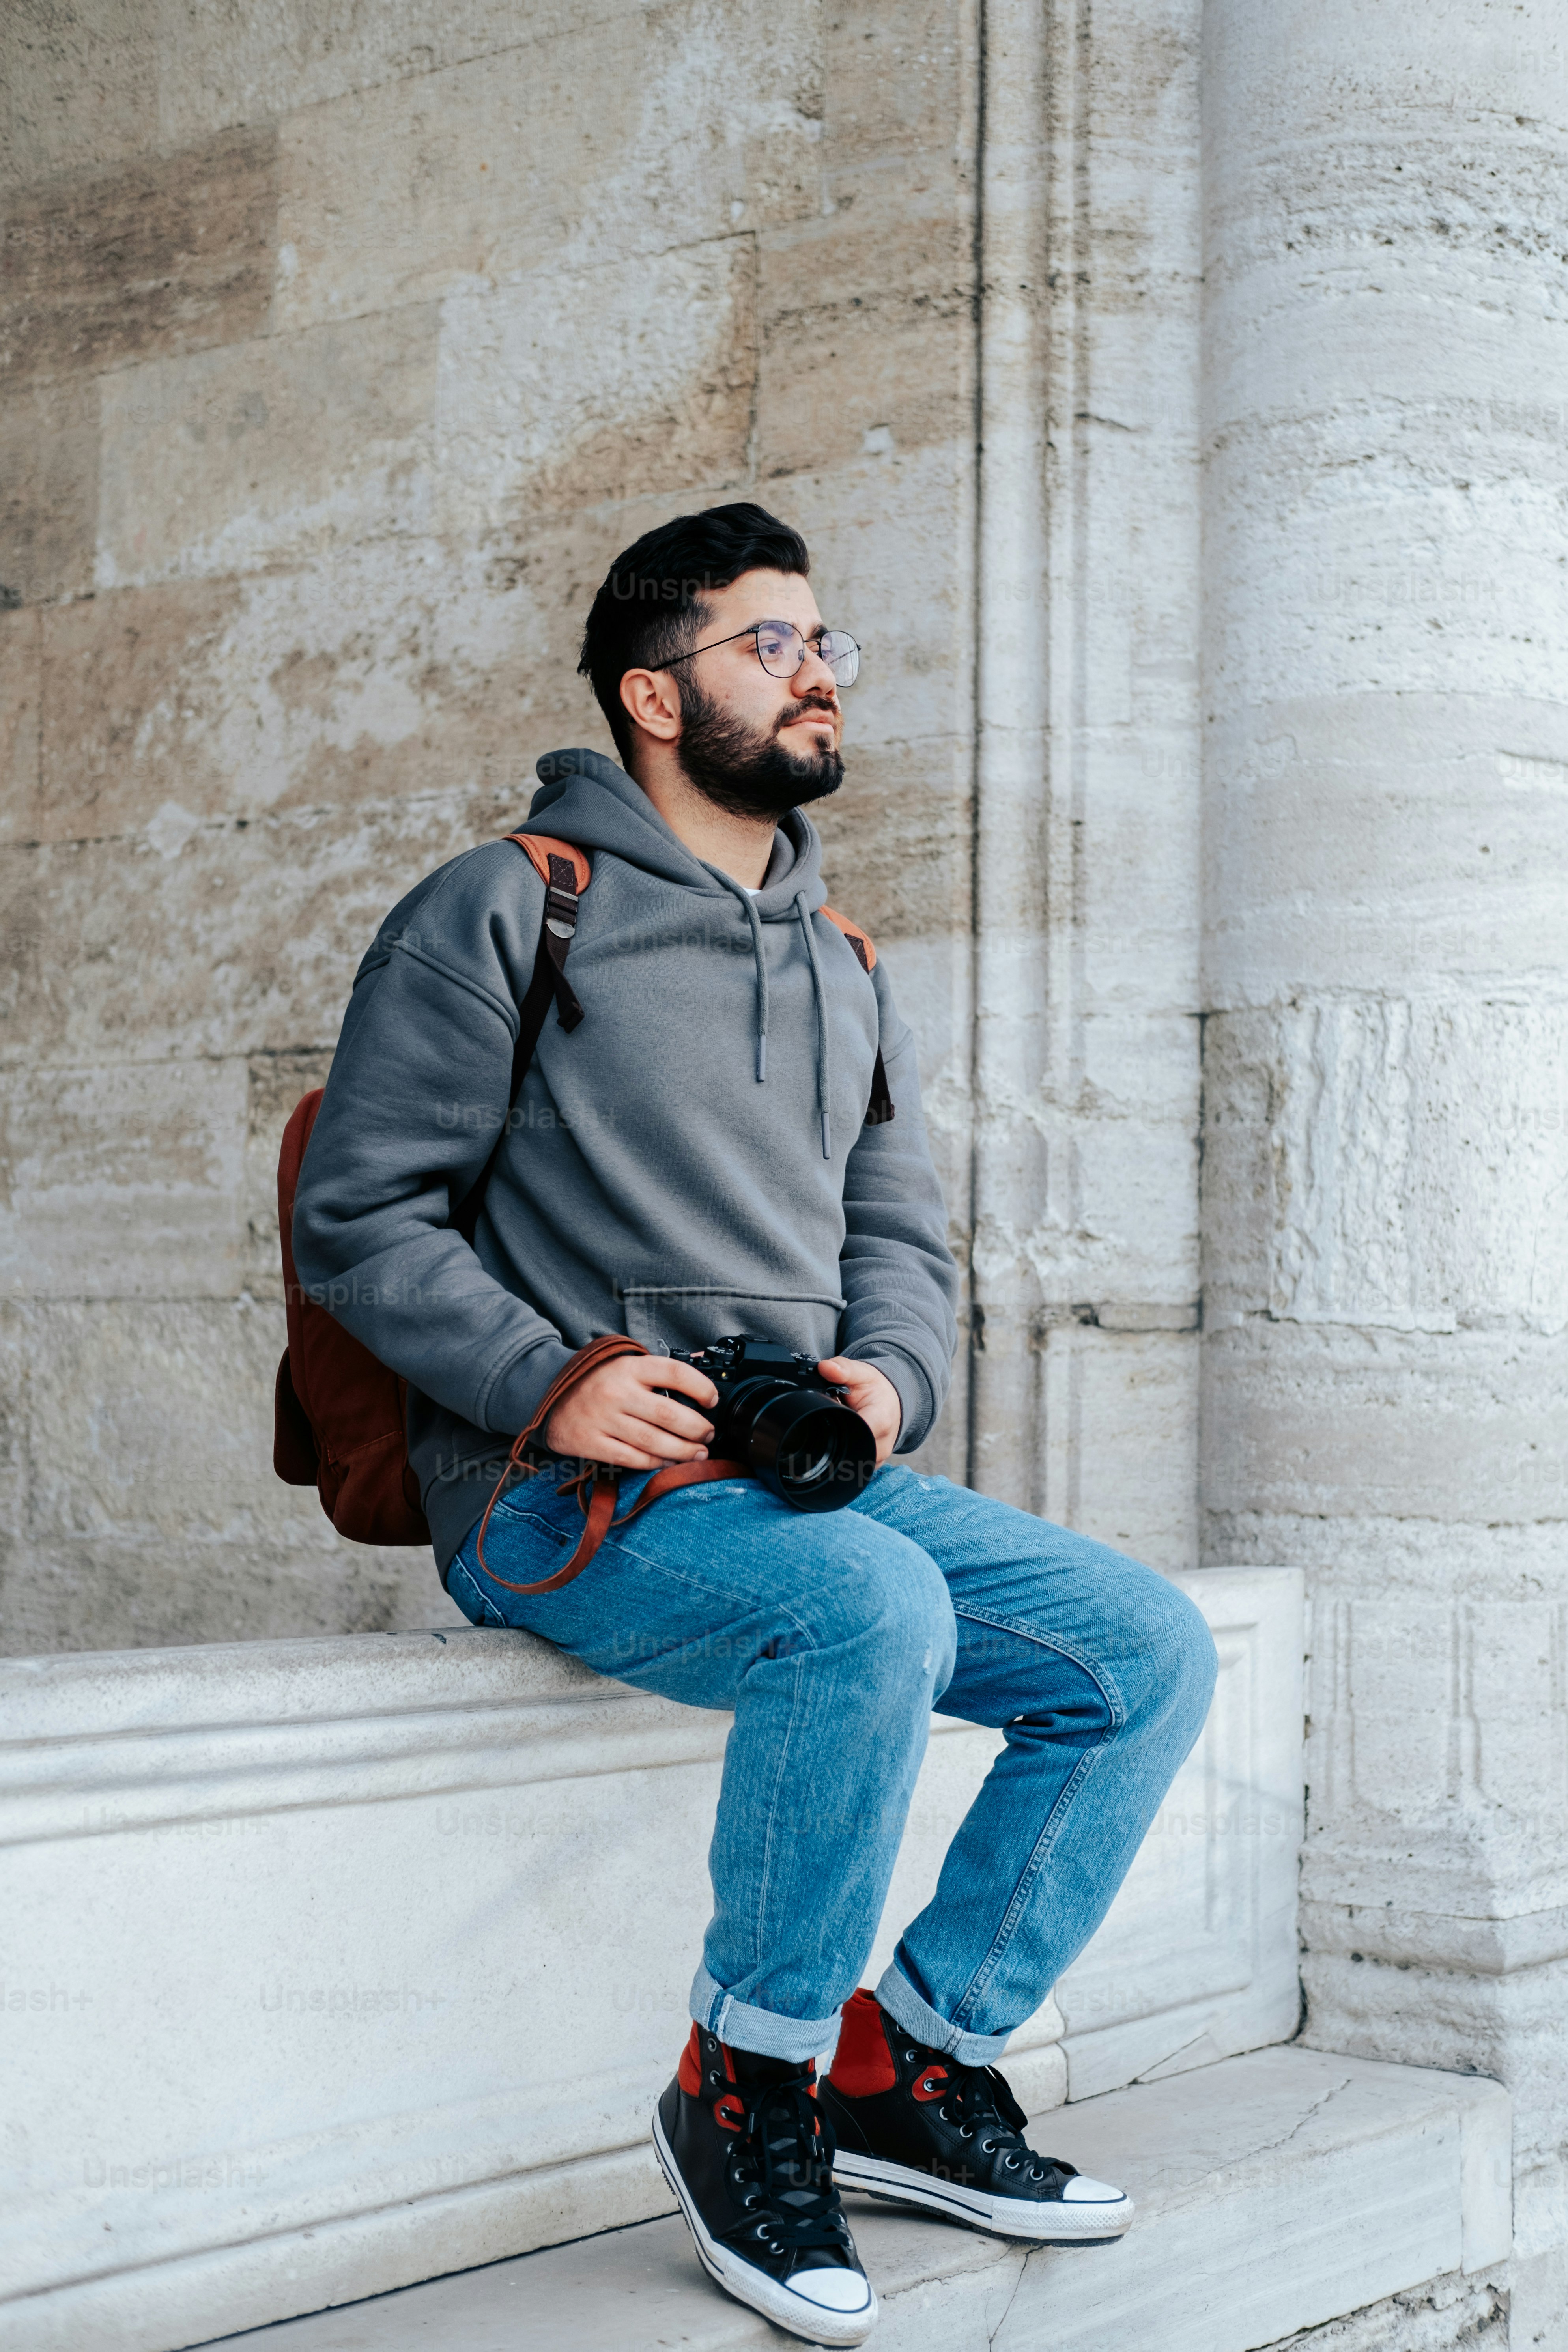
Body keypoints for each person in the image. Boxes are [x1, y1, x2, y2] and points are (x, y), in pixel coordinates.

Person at [292, 501, 1217, 2345]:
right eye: (769, 644)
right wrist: (554, 1379)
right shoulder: (507, 904)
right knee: (868, 1611)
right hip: (560, 1489)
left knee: (1140, 1650)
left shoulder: (843, 957)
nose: (818, 675)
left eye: (824, 643)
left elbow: (899, 1239)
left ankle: (909, 2056)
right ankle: (748, 2082)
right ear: (653, 695)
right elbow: (363, 1218)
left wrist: (889, 1380)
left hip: (797, 1473)